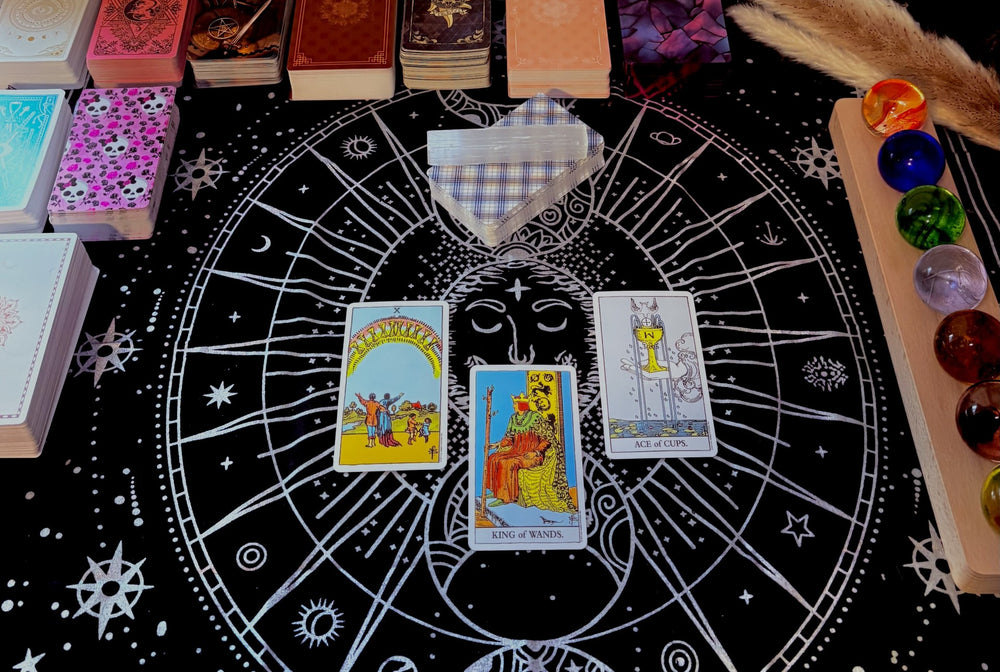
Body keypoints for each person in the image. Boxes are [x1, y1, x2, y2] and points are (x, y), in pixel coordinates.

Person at [483, 393, 575, 512]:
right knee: (493, 458)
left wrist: (536, 452)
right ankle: (497, 490)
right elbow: (510, 438)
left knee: (507, 463)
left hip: (532, 454)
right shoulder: (513, 418)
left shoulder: (536, 418)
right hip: (516, 450)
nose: (513, 406)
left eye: (515, 404)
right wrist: (497, 444)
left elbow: (546, 440)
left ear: (521, 405)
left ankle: (505, 497)